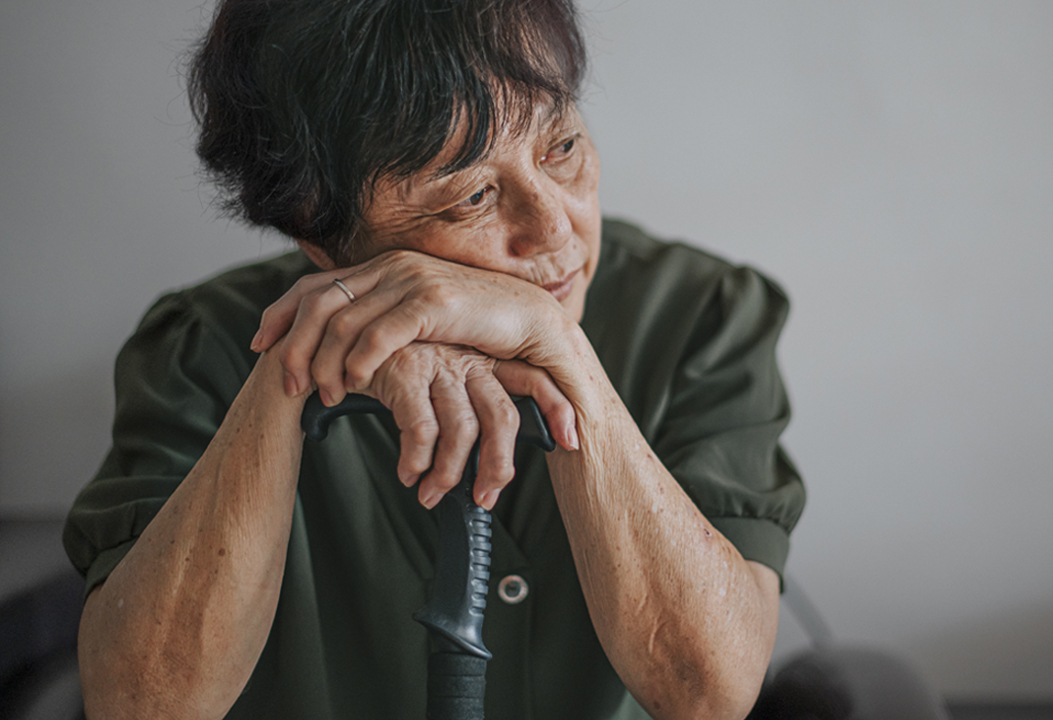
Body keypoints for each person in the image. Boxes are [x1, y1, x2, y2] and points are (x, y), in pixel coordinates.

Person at [62, 0, 805, 718]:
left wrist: (553, 345)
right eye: (475, 195)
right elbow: (140, 705)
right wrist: (302, 365)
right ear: (323, 238)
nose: (555, 230)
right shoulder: (202, 350)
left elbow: (707, 697)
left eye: (563, 147)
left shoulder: (703, 316)